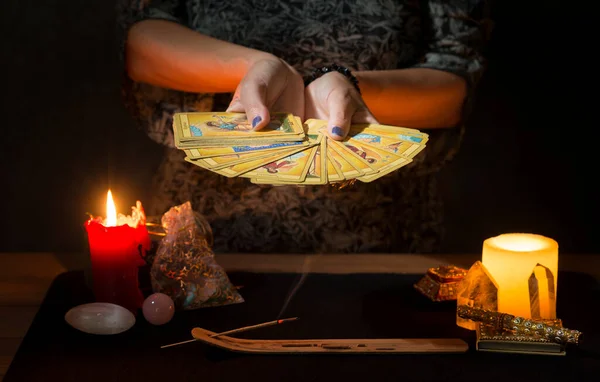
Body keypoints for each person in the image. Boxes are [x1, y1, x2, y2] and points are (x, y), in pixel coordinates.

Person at [117, 0, 492, 253]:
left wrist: (348, 87)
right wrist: (255, 70)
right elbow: (142, 35)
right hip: (206, 234)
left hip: (382, 236)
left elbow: (455, 76)